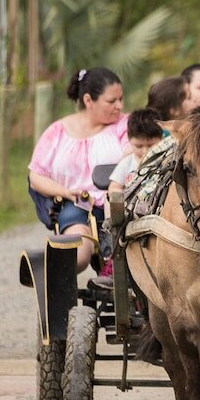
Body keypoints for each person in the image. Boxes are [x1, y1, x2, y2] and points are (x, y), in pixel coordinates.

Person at [28, 67, 129, 273]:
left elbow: (133, 155)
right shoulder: (57, 132)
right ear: (88, 100)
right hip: (77, 203)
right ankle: (54, 272)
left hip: (119, 202)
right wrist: (65, 192)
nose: (119, 106)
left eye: (121, 99)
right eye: (112, 101)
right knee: (79, 254)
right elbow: (36, 176)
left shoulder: (125, 125)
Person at [109, 108, 162, 193]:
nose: (145, 151)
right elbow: (114, 188)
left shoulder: (165, 161)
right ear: (129, 140)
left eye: (151, 145)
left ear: (161, 139)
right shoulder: (127, 164)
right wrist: (120, 197)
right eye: (138, 146)